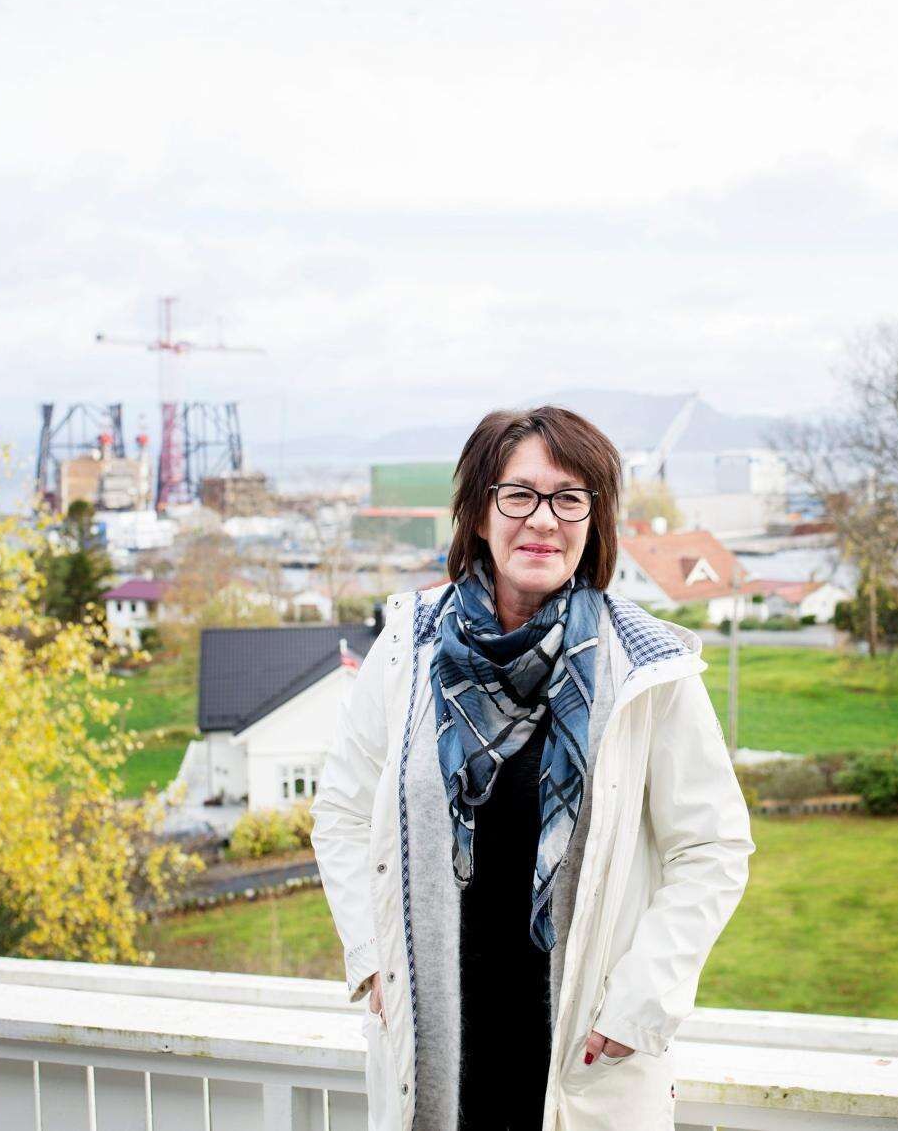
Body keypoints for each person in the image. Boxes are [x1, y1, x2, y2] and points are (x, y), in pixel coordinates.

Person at [312, 406, 755, 1131]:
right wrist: (371, 958)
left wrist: (641, 1001)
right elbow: (342, 813)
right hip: (435, 1033)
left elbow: (711, 847)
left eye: (569, 498)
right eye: (518, 495)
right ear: (478, 513)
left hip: (581, 1045)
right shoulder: (406, 650)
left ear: (594, 520)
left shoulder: (646, 669)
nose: (543, 520)